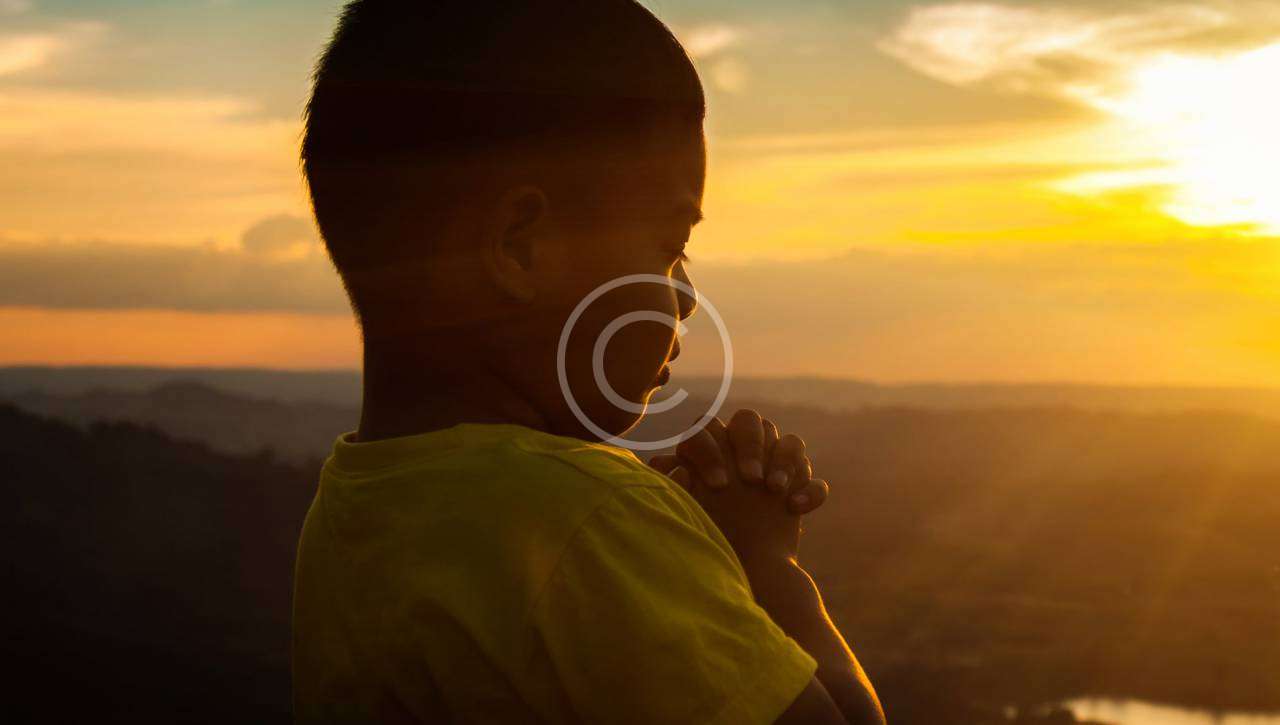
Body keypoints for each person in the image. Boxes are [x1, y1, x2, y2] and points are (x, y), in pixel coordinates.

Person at [291, 1, 885, 722]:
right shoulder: (592, 520)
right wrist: (764, 565)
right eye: (671, 248)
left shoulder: (347, 513)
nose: (686, 297)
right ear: (520, 246)